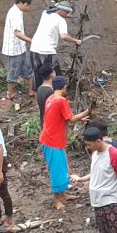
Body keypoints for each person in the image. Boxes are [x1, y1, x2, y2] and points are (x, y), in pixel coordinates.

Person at [38, 75, 91, 211]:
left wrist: (80, 118)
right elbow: (71, 119)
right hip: (52, 141)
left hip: (50, 138)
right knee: (57, 170)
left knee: (62, 168)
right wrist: (87, 112)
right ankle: (57, 200)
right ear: (64, 87)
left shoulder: (50, 98)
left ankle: (64, 194)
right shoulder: (61, 100)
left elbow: (64, 118)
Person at [30, 1, 82, 79]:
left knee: (38, 75)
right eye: (67, 12)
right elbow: (63, 36)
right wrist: (76, 41)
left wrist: (62, 14)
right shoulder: (61, 21)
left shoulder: (45, 13)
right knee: (57, 77)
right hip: (47, 52)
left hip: (34, 49)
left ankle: (38, 90)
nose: (68, 14)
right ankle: (57, 90)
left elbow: (52, 11)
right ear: (62, 10)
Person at [1, 0, 35, 105]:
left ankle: (31, 91)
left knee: (28, 69)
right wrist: (31, 40)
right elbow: (17, 33)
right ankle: (9, 93)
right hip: (14, 49)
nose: (28, 8)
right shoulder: (15, 13)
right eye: (27, 5)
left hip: (21, 47)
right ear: (21, 3)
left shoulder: (18, 12)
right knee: (13, 71)